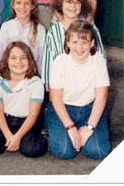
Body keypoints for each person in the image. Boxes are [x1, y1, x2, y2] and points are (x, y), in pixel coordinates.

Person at [45, 20, 111, 160]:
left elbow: (101, 97)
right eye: (74, 42)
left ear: (92, 43)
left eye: (84, 42)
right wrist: (70, 127)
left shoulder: (98, 60)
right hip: (64, 107)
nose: (79, 47)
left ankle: (90, 129)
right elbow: (55, 99)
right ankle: (53, 126)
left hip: (89, 108)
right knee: (64, 152)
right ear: (68, 43)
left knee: (99, 151)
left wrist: (89, 128)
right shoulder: (59, 62)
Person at [0, 42, 48, 158]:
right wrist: (8, 136)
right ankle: (9, 137)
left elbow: (33, 114)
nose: (18, 62)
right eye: (13, 58)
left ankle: (41, 135)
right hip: (5, 118)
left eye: (23, 58)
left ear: (30, 61)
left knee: (31, 150)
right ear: (6, 60)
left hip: (27, 120)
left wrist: (17, 137)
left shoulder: (36, 82)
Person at [41, 0, 105, 87]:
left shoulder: (90, 28)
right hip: (61, 82)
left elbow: (100, 54)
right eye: (68, 2)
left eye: (77, 3)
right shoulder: (54, 31)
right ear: (61, 4)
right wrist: (47, 81)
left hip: (86, 81)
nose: (72, 6)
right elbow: (48, 57)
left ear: (82, 5)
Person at [0, 0, 46, 76]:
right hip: (9, 77)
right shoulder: (6, 27)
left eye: (27, 3)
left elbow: (41, 60)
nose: (22, 7)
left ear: (33, 6)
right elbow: (0, 56)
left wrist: (39, 80)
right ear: (13, 5)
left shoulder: (40, 30)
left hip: (30, 78)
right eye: (18, 3)